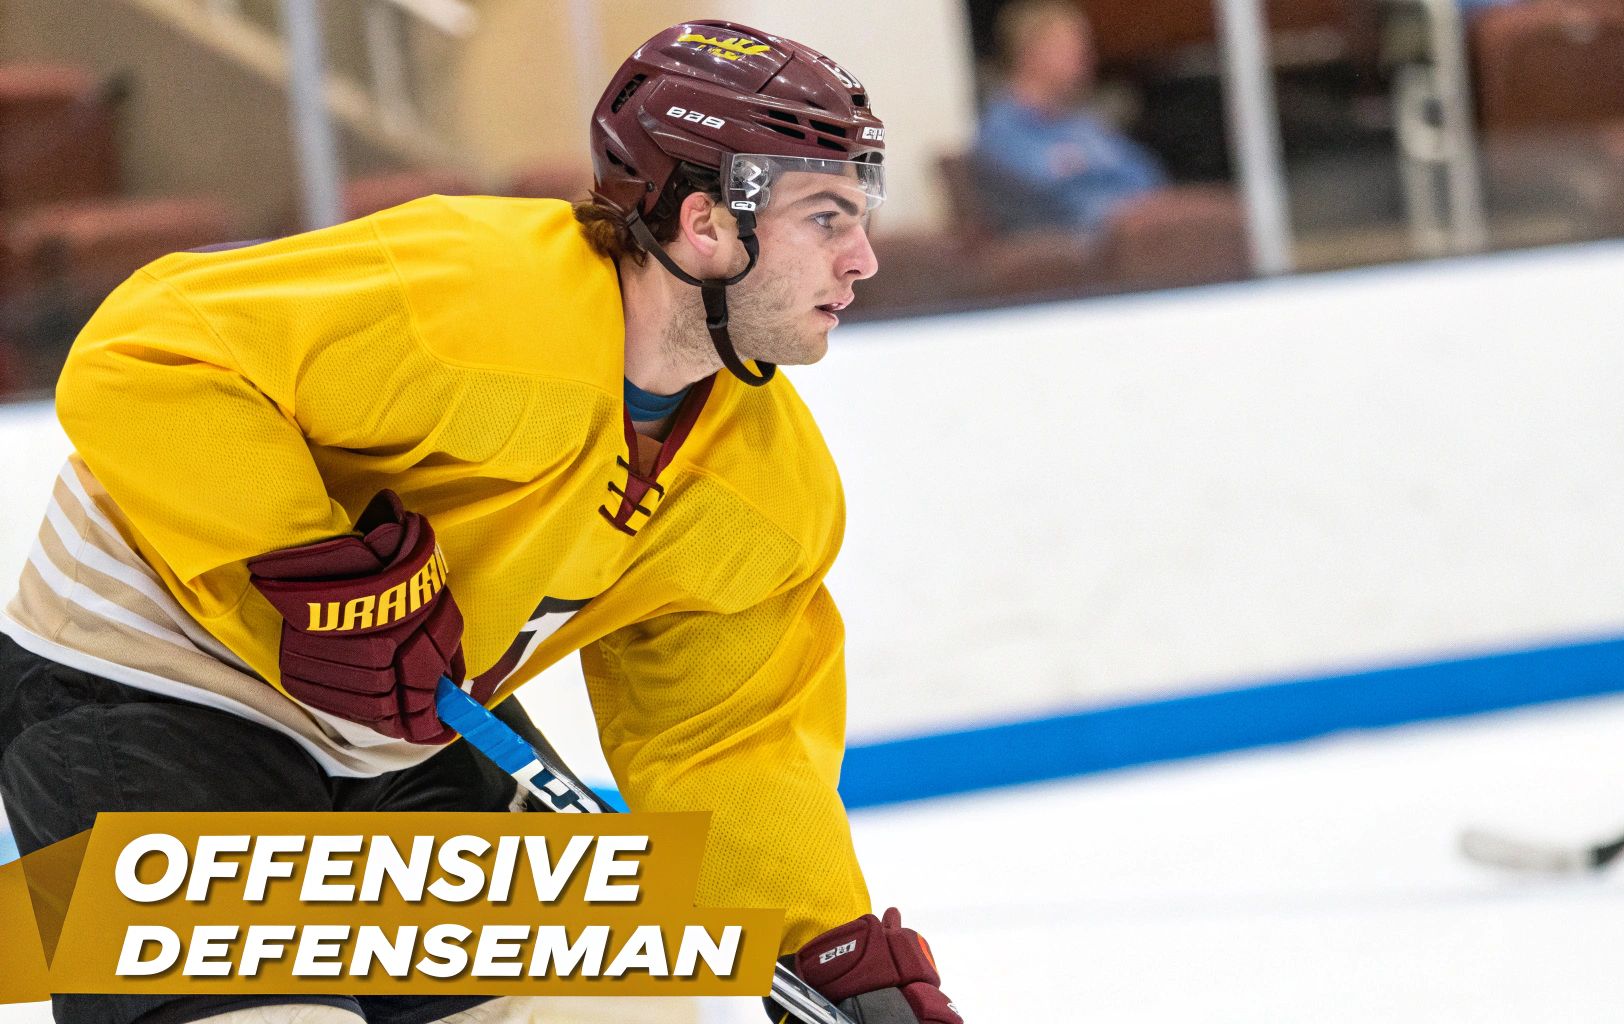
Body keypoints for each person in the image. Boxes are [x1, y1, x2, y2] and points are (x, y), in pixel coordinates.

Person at [0, 19, 962, 1024]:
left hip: (401, 737)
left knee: (631, 1010)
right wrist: (303, 558)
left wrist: (825, 940)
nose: (862, 259)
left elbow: (725, 740)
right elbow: (146, 356)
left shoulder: (767, 483)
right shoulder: (470, 293)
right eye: (825, 218)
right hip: (146, 687)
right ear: (705, 223)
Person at [974, 0, 1168, 233]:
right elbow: (1046, 190)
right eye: (1071, 46)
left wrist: (1081, 165)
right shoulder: (1001, 131)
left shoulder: (1083, 124)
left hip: (1129, 238)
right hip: (1061, 253)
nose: (1086, 58)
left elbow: (1144, 173)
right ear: (1031, 52)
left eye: (1085, 47)